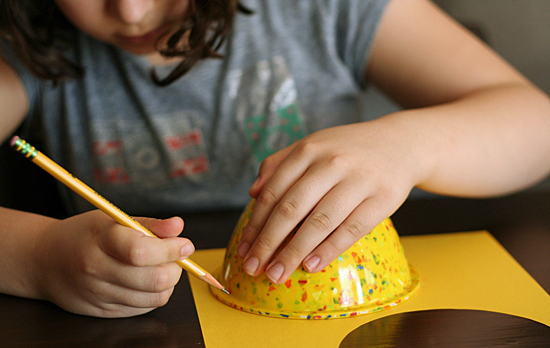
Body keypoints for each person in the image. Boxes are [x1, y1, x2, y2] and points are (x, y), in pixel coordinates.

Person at [1, 0, 549, 318]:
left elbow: (536, 126)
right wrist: (37, 258)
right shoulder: (31, 42)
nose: (132, 10)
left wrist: (411, 145)